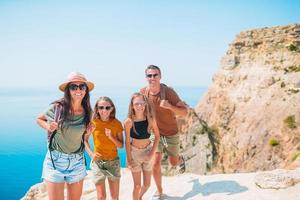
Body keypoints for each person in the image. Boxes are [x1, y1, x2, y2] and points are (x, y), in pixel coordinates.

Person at [36, 72, 94, 200]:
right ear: (68, 90)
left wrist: (88, 133)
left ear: (86, 90)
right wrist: (48, 126)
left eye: (82, 87)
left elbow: (84, 138)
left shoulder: (88, 112)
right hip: (56, 161)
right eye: (74, 87)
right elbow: (39, 119)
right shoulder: (57, 108)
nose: (78, 90)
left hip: (77, 162)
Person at [140, 65, 188, 200]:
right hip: (155, 134)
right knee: (155, 163)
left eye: (155, 75)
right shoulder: (143, 93)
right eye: (149, 75)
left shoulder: (169, 92)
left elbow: (184, 112)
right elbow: (137, 112)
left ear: (160, 77)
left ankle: (180, 159)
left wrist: (170, 106)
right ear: (146, 78)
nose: (152, 78)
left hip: (171, 132)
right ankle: (159, 192)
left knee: (173, 163)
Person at [84, 96, 124, 200]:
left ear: (112, 109)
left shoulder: (117, 124)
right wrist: (91, 154)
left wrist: (111, 137)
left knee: (115, 197)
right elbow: (84, 140)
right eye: (101, 107)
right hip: (98, 163)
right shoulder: (93, 123)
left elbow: (121, 146)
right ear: (97, 109)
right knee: (101, 197)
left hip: (113, 163)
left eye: (107, 108)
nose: (104, 110)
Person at [124, 92, 160, 200]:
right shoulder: (128, 122)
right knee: (137, 186)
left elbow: (157, 136)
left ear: (145, 104)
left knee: (147, 184)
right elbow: (127, 142)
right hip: (134, 154)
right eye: (136, 104)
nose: (139, 106)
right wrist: (129, 159)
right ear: (132, 105)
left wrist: (151, 154)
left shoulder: (150, 119)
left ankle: (139, 197)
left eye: (141, 103)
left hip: (148, 152)